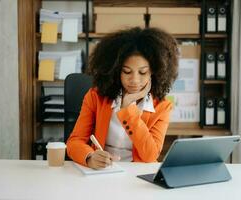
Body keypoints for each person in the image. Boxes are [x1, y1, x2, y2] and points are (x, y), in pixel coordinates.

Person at [66, 27, 179, 169]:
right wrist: (89, 157)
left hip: (137, 175)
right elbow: (75, 141)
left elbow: (150, 155)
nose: (134, 80)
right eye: (127, 72)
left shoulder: (162, 106)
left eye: (143, 72)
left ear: (154, 73)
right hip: (101, 171)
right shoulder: (95, 96)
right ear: (115, 71)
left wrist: (127, 109)